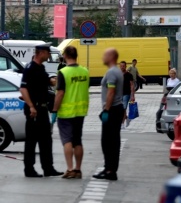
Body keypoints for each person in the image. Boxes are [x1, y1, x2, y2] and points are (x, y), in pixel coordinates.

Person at [19, 43, 63, 178]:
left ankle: (48, 168)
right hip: (34, 110)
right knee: (32, 140)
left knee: (46, 140)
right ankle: (29, 168)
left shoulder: (41, 68)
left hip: (43, 109)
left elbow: (41, 83)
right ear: (41, 53)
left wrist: (51, 81)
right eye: (47, 52)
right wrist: (31, 106)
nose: (49, 55)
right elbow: (23, 88)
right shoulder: (30, 68)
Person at [53, 46, 90, 179]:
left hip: (66, 112)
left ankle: (69, 169)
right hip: (81, 111)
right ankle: (78, 169)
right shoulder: (85, 71)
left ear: (66, 56)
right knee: (78, 141)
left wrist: (54, 110)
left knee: (67, 141)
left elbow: (60, 93)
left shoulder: (63, 72)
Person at [94, 48, 126, 181]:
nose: (103, 56)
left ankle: (110, 170)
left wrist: (106, 110)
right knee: (112, 140)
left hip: (112, 110)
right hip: (116, 109)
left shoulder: (112, 72)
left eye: (105, 54)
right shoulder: (116, 71)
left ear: (111, 57)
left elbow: (111, 92)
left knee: (108, 141)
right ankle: (110, 168)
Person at [120, 61, 136, 128]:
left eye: (123, 66)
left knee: (124, 108)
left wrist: (132, 95)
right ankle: (127, 118)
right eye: (121, 66)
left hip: (126, 94)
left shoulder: (129, 75)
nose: (122, 67)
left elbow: (132, 85)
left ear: (126, 66)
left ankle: (122, 124)